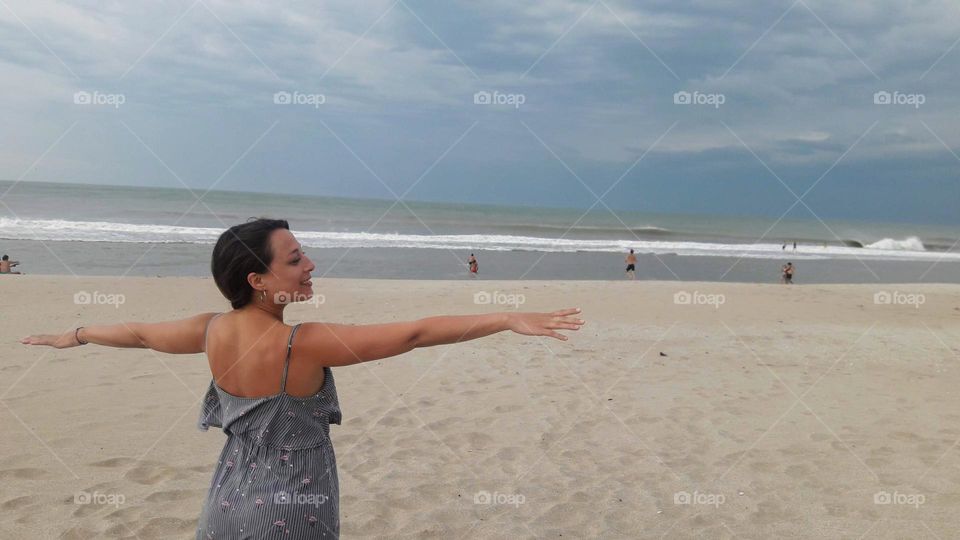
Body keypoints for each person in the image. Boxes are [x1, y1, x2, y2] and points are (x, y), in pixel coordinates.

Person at [19, 218, 585, 538]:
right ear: (258, 279)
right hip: (293, 512)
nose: (310, 265)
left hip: (226, 507)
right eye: (294, 259)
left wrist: (76, 333)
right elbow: (415, 333)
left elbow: (138, 333)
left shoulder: (209, 328)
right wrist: (506, 318)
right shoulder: (302, 343)